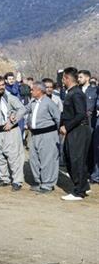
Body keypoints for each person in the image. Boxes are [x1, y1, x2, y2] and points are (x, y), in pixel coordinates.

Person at [0, 75, 26, 191]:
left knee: (13, 157)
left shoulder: (10, 97)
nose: (1, 87)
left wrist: (12, 122)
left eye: (2, 85)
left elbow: (22, 109)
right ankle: (4, 179)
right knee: (0, 157)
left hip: (10, 131)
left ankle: (17, 181)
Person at [59, 67, 92, 201]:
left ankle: (79, 191)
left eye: (63, 78)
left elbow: (80, 114)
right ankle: (84, 185)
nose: (62, 81)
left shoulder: (76, 93)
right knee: (72, 157)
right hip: (74, 130)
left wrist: (66, 126)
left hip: (79, 130)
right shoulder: (71, 92)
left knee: (75, 160)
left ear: (67, 78)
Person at [24, 82, 60, 193]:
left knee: (47, 160)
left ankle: (47, 185)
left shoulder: (49, 103)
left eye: (33, 89)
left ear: (39, 91)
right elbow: (24, 110)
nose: (31, 91)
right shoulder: (33, 102)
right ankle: (39, 182)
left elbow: (58, 118)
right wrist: (14, 117)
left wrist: (58, 135)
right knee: (34, 160)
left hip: (48, 135)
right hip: (34, 135)